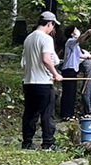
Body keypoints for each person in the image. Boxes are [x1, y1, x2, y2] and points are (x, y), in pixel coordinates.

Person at [21, 11, 64, 150]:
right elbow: (46, 59)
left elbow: (23, 63)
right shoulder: (46, 39)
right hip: (43, 83)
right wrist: (55, 74)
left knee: (30, 113)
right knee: (47, 113)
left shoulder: (28, 38)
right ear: (49, 24)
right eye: (53, 26)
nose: (53, 29)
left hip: (28, 82)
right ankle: (48, 143)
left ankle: (27, 142)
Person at [59, 25, 91, 120]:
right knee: (68, 93)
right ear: (72, 33)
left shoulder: (75, 45)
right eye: (76, 29)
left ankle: (70, 114)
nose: (78, 30)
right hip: (68, 70)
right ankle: (66, 115)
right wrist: (87, 33)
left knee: (72, 93)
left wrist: (90, 57)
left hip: (73, 70)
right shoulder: (70, 42)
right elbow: (79, 40)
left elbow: (79, 55)